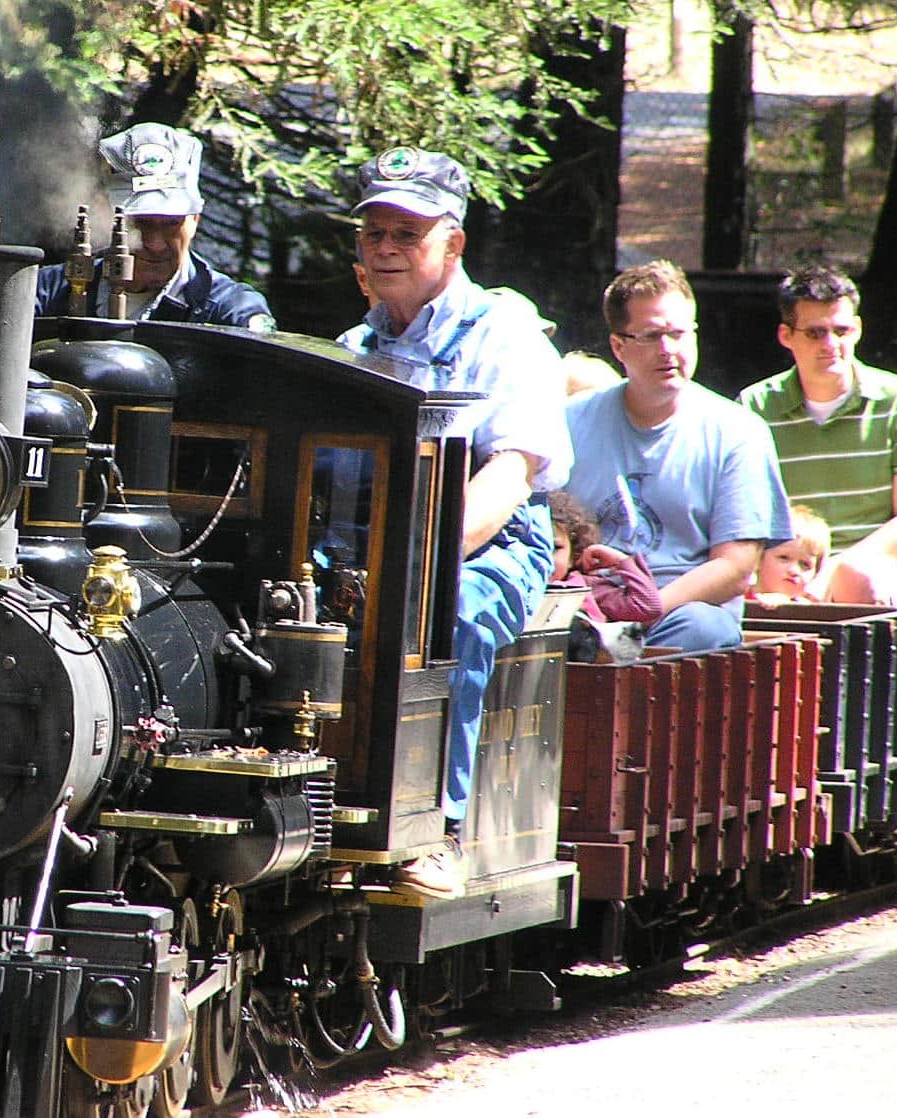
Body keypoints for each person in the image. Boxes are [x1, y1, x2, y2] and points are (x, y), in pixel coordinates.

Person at [337, 146, 572, 897]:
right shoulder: (351, 351)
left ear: (453, 243)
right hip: (361, 545)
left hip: (491, 542)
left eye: (407, 233)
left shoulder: (506, 336)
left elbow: (511, 474)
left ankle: (437, 832)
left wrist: (417, 567)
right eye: (374, 232)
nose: (385, 248)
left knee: (452, 617)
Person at [564, 260, 792, 652]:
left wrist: (641, 612)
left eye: (678, 333)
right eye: (651, 336)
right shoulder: (569, 420)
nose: (668, 350)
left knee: (703, 625)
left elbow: (736, 568)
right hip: (584, 606)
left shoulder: (739, 432)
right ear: (619, 346)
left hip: (678, 614)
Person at [738, 264, 897, 607]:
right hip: (783, 572)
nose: (831, 344)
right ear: (786, 336)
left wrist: (832, 570)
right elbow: (742, 512)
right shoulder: (755, 406)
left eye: (841, 330)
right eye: (815, 333)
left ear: (858, 329)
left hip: (874, 567)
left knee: (857, 577)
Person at [35, 123, 275, 331]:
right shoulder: (48, 291)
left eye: (172, 224)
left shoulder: (230, 310)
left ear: (195, 220)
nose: (155, 243)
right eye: (139, 223)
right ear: (102, 216)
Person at [548, 490, 662, 625]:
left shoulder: (585, 587)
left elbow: (648, 607)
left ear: (572, 556)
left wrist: (622, 561)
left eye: (555, 548)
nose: (543, 558)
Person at [750, 504, 830, 606]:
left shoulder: (809, 611)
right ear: (758, 559)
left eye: (805, 564)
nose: (794, 571)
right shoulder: (735, 598)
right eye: (784, 558)